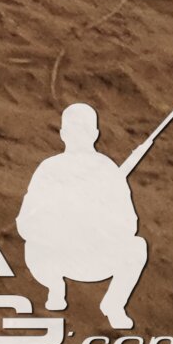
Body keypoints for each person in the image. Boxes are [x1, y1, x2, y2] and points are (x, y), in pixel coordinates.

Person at [17, 103, 155, 330]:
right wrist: (56, 223)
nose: (78, 134)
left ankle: (114, 305)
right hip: (55, 256)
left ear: (94, 134)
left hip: (95, 256)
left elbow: (129, 224)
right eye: (73, 129)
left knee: (136, 247)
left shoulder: (108, 171)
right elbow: (25, 221)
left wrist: (98, 221)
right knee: (33, 245)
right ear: (63, 134)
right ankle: (55, 288)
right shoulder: (49, 169)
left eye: (83, 129)